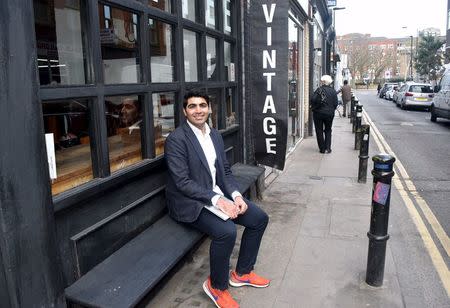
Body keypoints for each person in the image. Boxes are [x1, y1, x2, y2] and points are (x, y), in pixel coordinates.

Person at [164, 91, 270, 308]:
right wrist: (218, 200)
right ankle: (217, 286)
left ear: (210, 109)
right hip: (188, 202)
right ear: (185, 111)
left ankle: (242, 273)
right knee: (226, 231)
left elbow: (225, 174)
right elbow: (182, 183)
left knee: (259, 218)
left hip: (214, 196)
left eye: (202, 105)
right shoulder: (177, 139)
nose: (198, 110)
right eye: (192, 106)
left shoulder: (214, 136)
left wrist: (236, 196)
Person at [310, 75, 339, 154]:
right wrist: (331, 109)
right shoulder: (333, 91)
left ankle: (322, 149)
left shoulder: (318, 90)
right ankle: (328, 148)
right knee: (328, 130)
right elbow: (336, 103)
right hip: (329, 114)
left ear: (323, 82)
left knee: (319, 130)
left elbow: (312, 100)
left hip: (318, 113)